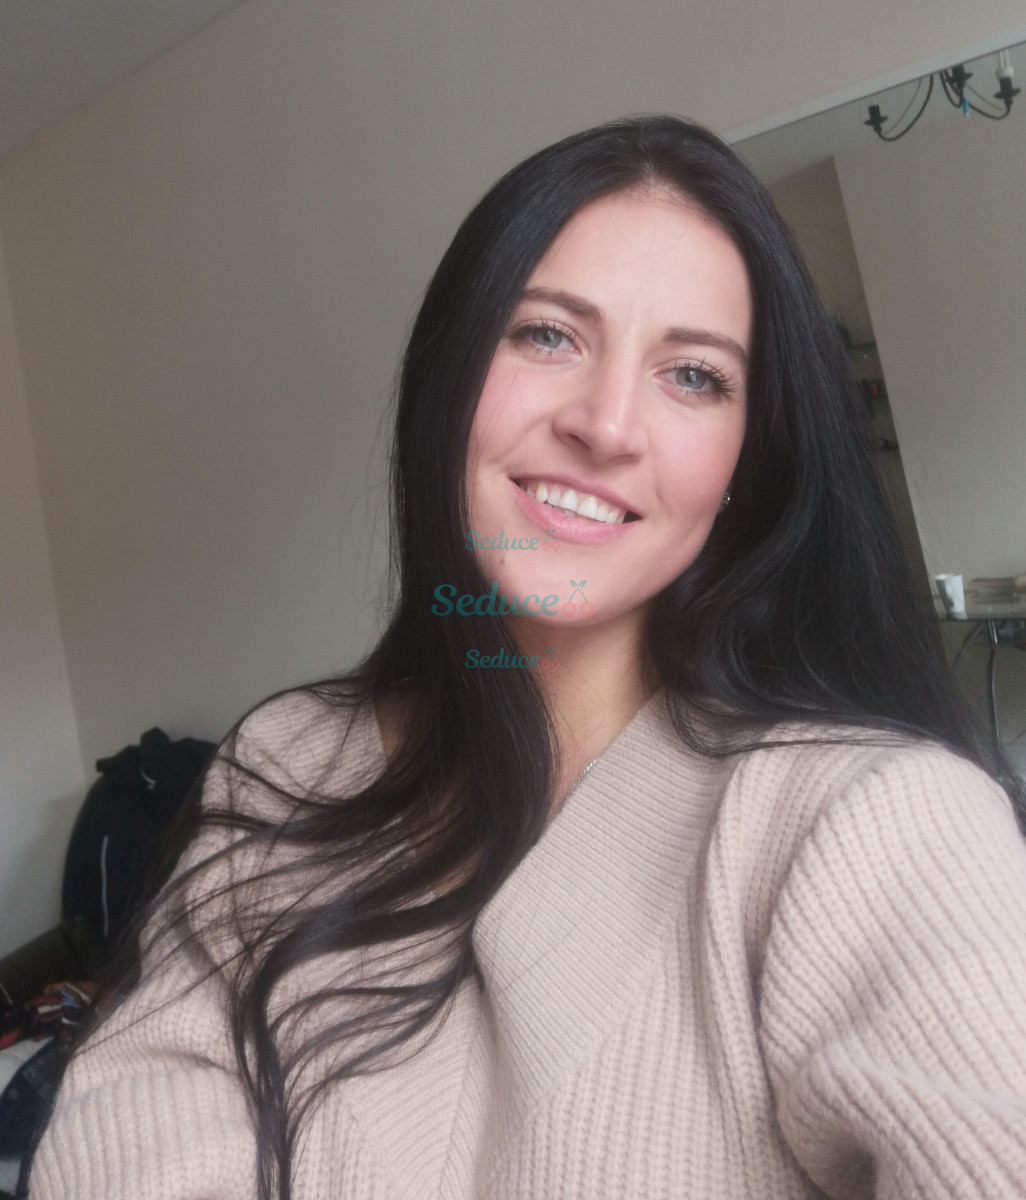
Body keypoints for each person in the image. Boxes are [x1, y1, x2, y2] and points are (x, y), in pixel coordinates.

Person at [28, 116, 1026, 1200]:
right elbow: (140, 1110)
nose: (608, 426)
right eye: (548, 335)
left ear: (747, 460)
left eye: (694, 375)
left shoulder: (873, 819)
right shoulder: (290, 757)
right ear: (450, 377)